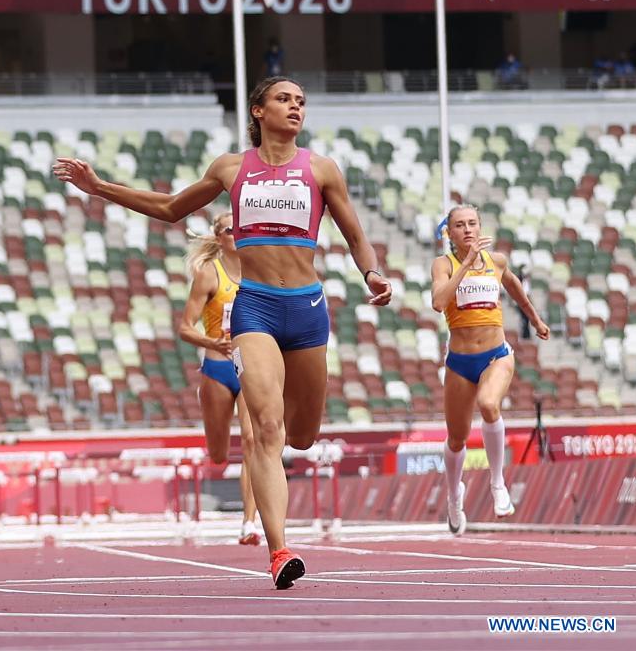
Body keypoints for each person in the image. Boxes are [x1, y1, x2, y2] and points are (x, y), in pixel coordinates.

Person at [54, 77, 392, 589]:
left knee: (302, 436)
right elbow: (171, 208)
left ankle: (279, 511)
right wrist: (100, 188)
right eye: (284, 99)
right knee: (266, 429)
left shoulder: (321, 170)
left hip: (307, 308)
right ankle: (279, 551)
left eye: (301, 101)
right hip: (254, 307)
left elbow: (356, 235)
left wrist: (372, 274)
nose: (296, 107)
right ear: (258, 110)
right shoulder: (231, 169)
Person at [431, 205, 549, 537]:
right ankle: (455, 495)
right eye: (460, 225)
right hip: (460, 362)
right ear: (450, 233)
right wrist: (466, 263)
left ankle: (498, 483)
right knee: (456, 439)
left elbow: (516, 290)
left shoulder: (496, 261)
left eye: (473, 223)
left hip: (496, 355)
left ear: (480, 227)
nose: (468, 229)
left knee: (488, 404)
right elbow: (439, 302)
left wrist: (536, 320)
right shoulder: (443, 265)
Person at [178, 212, 260, 546]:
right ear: (219, 238)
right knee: (218, 453)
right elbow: (184, 327)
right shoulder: (209, 274)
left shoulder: (260, 271)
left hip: (248, 362)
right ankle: (215, 439)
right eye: (230, 229)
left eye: (242, 228)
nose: (237, 233)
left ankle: (249, 522)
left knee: (253, 441)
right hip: (217, 364)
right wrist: (212, 343)